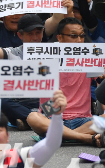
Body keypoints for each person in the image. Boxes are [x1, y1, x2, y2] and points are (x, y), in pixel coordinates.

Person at [27, 18, 105, 146]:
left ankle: (63, 137)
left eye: (81, 36)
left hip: (83, 119)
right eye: (73, 36)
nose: (79, 40)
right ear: (60, 38)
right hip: (52, 115)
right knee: (32, 117)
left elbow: (100, 92)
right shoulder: (45, 56)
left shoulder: (90, 57)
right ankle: (83, 138)